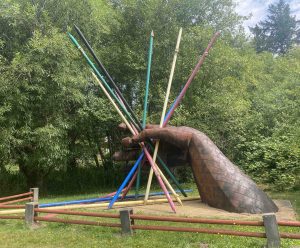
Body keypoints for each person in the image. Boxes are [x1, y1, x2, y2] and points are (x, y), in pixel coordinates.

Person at [113, 124, 278, 214]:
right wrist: (193, 144)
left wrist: (195, 141)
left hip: (250, 207)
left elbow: (249, 205)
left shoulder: (250, 205)